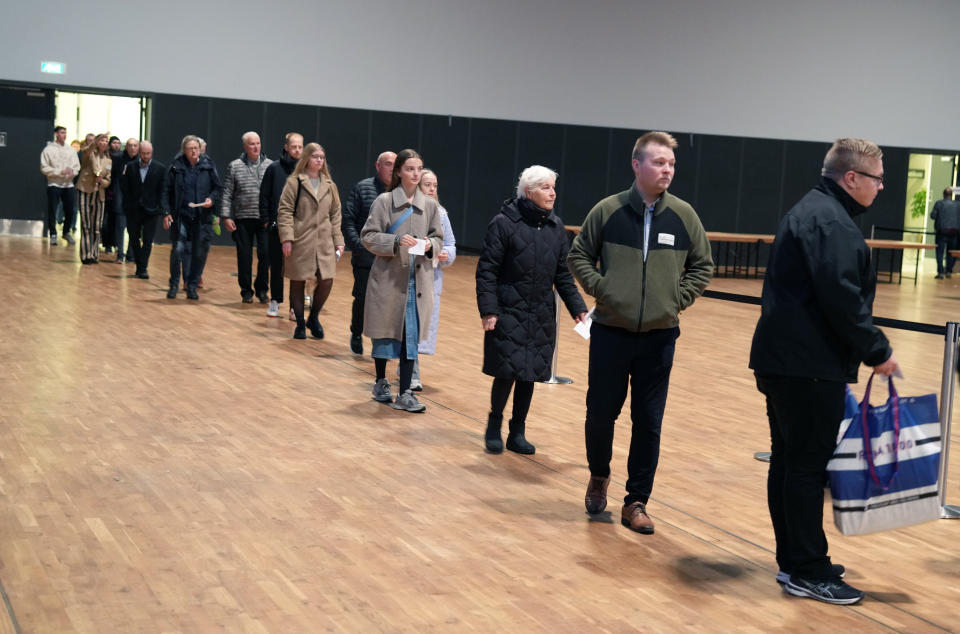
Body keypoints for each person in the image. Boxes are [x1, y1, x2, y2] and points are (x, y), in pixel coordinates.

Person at [749, 138, 900, 605]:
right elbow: (841, 298)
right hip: (807, 365)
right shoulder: (830, 222)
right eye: (876, 178)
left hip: (788, 361)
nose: (881, 186)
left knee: (790, 462)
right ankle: (808, 570)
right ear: (850, 178)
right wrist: (877, 349)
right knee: (807, 468)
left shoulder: (816, 211)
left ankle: (795, 559)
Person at [568, 131, 713, 534]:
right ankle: (599, 477)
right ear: (637, 165)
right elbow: (578, 254)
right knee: (601, 414)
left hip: (660, 336)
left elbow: (703, 266)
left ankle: (636, 501)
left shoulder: (684, 215)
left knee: (648, 420)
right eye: (659, 163)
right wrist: (603, 289)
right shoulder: (608, 210)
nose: (667, 170)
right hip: (611, 333)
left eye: (671, 164)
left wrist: (676, 300)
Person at [477, 166, 587, 454]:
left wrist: (578, 308)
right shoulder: (503, 223)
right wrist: (489, 310)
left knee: (529, 372)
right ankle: (494, 424)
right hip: (508, 308)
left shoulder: (556, 228)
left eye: (553, 187)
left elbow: (563, 274)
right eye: (545, 187)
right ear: (529, 191)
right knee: (507, 370)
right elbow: (487, 270)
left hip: (540, 312)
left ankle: (517, 431)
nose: (552, 193)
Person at [361, 149, 442, 413]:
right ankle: (381, 381)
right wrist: (395, 241)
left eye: (419, 169)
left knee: (410, 337)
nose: (416, 174)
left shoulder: (430, 205)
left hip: (417, 281)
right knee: (384, 334)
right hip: (388, 278)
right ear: (398, 172)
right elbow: (368, 236)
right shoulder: (384, 201)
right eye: (410, 169)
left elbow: (438, 238)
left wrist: (430, 244)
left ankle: (405, 392)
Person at [276, 143, 344, 339]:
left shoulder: (330, 185)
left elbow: (336, 214)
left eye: (322, 157)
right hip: (300, 239)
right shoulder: (295, 182)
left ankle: (313, 317)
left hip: (324, 241)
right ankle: (299, 323)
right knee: (297, 280)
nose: (319, 160)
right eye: (315, 156)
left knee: (326, 279)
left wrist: (338, 239)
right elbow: (285, 211)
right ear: (307, 158)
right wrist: (287, 238)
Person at [344, 151, 396, 354]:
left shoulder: (401, 192)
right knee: (363, 298)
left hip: (391, 258)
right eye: (388, 164)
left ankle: (383, 342)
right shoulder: (362, 188)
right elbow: (348, 220)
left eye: (395, 164)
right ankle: (356, 332)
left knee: (388, 303)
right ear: (378, 166)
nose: (392, 168)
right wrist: (359, 246)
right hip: (365, 257)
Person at [409, 169, 456, 390]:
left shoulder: (441, 213)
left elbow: (450, 244)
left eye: (435, 185)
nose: (431, 189)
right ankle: (411, 371)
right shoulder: (409, 211)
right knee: (410, 323)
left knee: (423, 325)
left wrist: (447, 254)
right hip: (409, 274)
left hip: (432, 276)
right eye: (427, 184)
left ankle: (408, 366)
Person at [162, 135, 223, 300]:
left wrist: (211, 199)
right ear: (184, 150)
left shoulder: (208, 165)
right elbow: (166, 191)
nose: (194, 151)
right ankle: (174, 284)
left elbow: (218, 188)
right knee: (178, 250)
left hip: (201, 217)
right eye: (190, 148)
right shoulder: (176, 166)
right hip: (180, 216)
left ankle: (192, 285)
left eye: (196, 148)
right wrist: (166, 212)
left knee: (198, 252)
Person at [221, 131, 272, 303]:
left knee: (265, 255)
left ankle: (262, 289)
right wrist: (226, 216)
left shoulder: (270, 165)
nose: (256, 147)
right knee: (244, 256)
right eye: (252, 144)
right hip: (243, 218)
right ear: (245, 146)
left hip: (264, 219)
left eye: (258, 143)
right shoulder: (235, 166)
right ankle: (246, 290)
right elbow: (227, 193)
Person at [260, 132, 303, 317]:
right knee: (276, 265)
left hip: (300, 228)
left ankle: (295, 307)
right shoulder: (273, 168)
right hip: (276, 226)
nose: (297, 150)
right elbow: (264, 196)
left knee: (296, 268)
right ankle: (275, 300)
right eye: (294, 146)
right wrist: (266, 220)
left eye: (300, 146)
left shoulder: (305, 171)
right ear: (286, 147)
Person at [120, 140, 165, 279]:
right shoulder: (131, 167)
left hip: (151, 210)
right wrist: (127, 205)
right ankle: (140, 265)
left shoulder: (160, 168)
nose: (146, 156)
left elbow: (162, 190)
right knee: (133, 238)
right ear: (139, 153)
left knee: (148, 239)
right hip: (133, 209)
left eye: (149, 153)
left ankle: (142, 267)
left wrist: (160, 207)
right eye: (144, 153)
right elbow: (125, 187)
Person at [40, 125, 80, 246]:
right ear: (56, 134)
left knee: (70, 210)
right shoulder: (48, 149)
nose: (64, 135)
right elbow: (44, 167)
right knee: (53, 210)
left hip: (68, 184)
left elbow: (77, 166)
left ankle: (66, 231)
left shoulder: (71, 150)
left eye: (65, 132)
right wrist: (58, 172)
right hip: (54, 184)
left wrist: (72, 173)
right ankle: (52, 233)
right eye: (62, 132)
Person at [76, 133, 113, 264]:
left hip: (100, 193)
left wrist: (102, 181)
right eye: (101, 140)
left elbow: (108, 179)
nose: (104, 142)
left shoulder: (109, 162)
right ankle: (85, 255)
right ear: (97, 142)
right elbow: (86, 150)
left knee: (97, 226)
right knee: (86, 224)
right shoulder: (89, 154)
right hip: (85, 190)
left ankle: (94, 254)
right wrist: (94, 142)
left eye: (105, 140)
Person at [110, 137, 139, 263]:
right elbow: (113, 177)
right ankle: (120, 254)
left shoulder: (141, 159)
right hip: (121, 196)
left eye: (135, 145)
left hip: (135, 199)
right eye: (130, 145)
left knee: (134, 228)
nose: (132, 148)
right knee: (120, 227)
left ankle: (131, 255)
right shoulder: (117, 158)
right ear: (126, 147)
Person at [931, 187, 960, 279]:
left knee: (940, 252)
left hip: (942, 231)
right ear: (952, 195)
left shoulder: (939, 203)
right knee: (951, 252)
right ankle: (948, 271)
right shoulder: (958, 205)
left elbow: (933, 216)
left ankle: (940, 273)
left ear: (943, 194)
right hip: (954, 232)